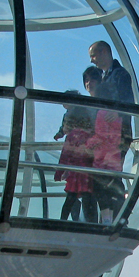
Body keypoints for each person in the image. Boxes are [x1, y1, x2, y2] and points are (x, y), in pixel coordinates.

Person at [82, 66, 125, 224]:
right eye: (86, 80)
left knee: (98, 188)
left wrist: (88, 144)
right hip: (113, 158)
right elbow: (115, 136)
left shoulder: (100, 113)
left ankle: (103, 219)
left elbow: (100, 135)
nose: (89, 83)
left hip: (99, 158)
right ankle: (119, 218)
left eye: (92, 79)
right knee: (113, 186)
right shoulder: (115, 115)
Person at [53, 92, 97, 222]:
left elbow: (65, 155)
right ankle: (91, 222)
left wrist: (59, 173)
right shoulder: (90, 136)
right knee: (87, 196)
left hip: (75, 172)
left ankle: (63, 221)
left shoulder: (72, 136)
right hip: (87, 172)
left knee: (71, 197)